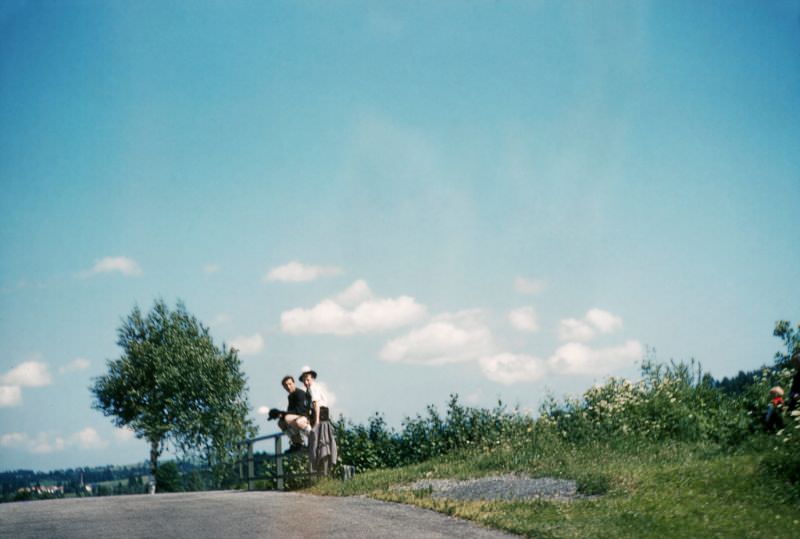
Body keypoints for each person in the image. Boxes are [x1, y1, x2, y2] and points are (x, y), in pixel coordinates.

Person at [300, 366, 337, 473]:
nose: (306, 382)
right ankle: (322, 473)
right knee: (320, 445)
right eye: (304, 380)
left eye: (308, 379)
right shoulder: (309, 390)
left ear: (312, 378)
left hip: (321, 418)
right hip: (319, 417)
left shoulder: (313, 388)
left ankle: (324, 473)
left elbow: (316, 405)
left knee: (322, 444)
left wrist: (316, 421)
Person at [276, 375, 312, 454]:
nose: (288, 387)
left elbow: (299, 410)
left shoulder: (300, 393)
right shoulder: (290, 396)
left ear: (294, 383)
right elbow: (290, 410)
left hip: (305, 417)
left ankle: (313, 439)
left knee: (287, 418)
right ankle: (297, 443)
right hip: (297, 417)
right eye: (286, 385)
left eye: (290, 384)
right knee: (281, 423)